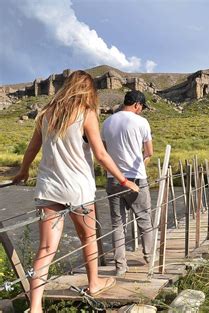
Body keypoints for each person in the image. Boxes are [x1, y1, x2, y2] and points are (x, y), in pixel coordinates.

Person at [12, 70, 139, 313]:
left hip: (48, 189)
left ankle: (35, 307)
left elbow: (31, 149)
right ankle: (94, 284)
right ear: (87, 90)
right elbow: (101, 154)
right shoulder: (86, 113)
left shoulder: (46, 114)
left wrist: (23, 171)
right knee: (88, 238)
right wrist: (124, 181)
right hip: (78, 190)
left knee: (46, 249)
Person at [101, 90, 154, 276]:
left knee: (117, 224)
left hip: (112, 179)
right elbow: (149, 152)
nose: (141, 111)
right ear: (137, 105)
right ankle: (150, 258)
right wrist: (141, 164)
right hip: (136, 178)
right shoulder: (142, 122)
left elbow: (104, 154)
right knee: (144, 219)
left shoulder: (106, 123)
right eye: (142, 108)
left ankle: (120, 267)